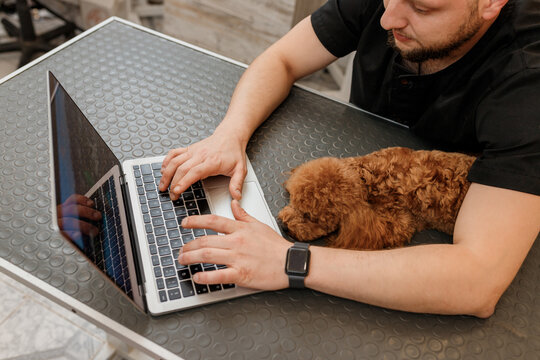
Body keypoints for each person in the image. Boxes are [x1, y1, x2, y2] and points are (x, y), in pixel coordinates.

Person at [159, 0, 540, 317]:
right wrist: (230, 135)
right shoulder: (390, 5)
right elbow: (283, 59)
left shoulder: (527, 81)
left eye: (423, 8)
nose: (388, 18)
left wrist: (290, 260)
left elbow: (478, 280)